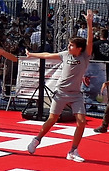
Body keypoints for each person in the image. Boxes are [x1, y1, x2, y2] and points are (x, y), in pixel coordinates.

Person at [23, 9, 96, 162]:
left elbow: (89, 41)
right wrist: (32, 55)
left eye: (71, 45)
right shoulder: (65, 55)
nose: (69, 47)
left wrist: (89, 23)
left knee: (82, 122)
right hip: (61, 92)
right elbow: (47, 55)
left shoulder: (85, 56)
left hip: (76, 95)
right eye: (69, 44)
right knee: (52, 119)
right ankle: (37, 139)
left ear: (79, 48)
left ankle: (73, 151)